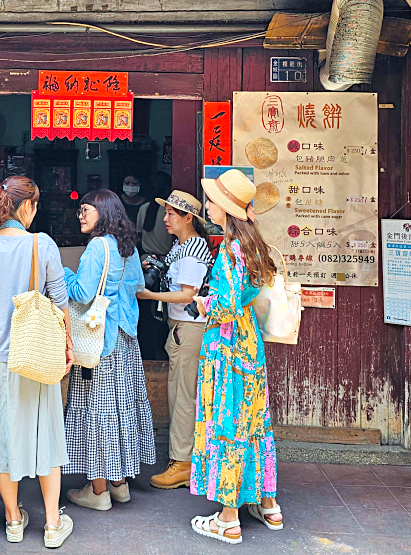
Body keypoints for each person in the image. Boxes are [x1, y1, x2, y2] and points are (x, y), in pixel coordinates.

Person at [0, 176, 76, 548]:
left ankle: (13, 519)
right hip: (35, 358)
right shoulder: (42, 244)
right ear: (26, 207)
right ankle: (53, 524)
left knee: (2, 442)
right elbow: (60, 299)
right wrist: (68, 344)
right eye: (34, 207)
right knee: (45, 438)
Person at [190, 168, 283, 542]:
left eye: (211, 200)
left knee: (228, 425)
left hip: (227, 350)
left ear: (225, 208)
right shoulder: (254, 246)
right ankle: (269, 504)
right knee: (254, 422)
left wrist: (203, 304)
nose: (208, 205)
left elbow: (225, 306)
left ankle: (228, 518)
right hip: (250, 345)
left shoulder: (230, 251)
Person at [61, 188, 156, 510]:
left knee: (97, 412)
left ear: (104, 211)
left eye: (86, 209)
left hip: (98, 342)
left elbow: (84, 293)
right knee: (120, 410)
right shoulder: (125, 246)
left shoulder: (96, 247)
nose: (81, 216)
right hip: (126, 340)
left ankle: (98, 491)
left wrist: (62, 272)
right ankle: (119, 484)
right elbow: (139, 287)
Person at [135, 190, 213, 490]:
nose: (165, 219)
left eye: (171, 214)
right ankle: (182, 459)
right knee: (178, 393)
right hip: (181, 327)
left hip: (189, 327)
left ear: (187, 218)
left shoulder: (192, 251)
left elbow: (188, 294)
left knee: (183, 397)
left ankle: (182, 463)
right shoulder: (182, 246)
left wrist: (150, 294)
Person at [135, 171, 174, 359]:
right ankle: (160, 352)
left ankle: (147, 351)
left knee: (146, 312)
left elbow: (138, 236)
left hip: (146, 263)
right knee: (164, 311)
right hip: (166, 263)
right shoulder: (171, 212)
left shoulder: (144, 208)